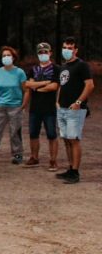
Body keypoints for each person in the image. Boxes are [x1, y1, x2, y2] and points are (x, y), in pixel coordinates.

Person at [56, 37, 94, 184]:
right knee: (66, 140)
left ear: (76, 50)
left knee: (74, 139)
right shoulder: (64, 66)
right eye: (65, 47)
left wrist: (78, 102)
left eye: (70, 48)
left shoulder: (82, 66)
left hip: (75, 109)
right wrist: (57, 102)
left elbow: (89, 85)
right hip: (63, 108)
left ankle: (75, 172)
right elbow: (62, 86)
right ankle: (70, 168)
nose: (67, 50)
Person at [23, 42, 59, 170]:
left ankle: (53, 160)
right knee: (33, 133)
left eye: (45, 52)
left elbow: (54, 86)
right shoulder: (33, 69)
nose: (43, 54)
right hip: (35, 108)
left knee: (51, 134)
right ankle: (34, 157)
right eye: (40, 52)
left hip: (49, 108)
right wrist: (45, 83)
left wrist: (37, 86)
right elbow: (28, 85)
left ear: (50, 53)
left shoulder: (56, 69)